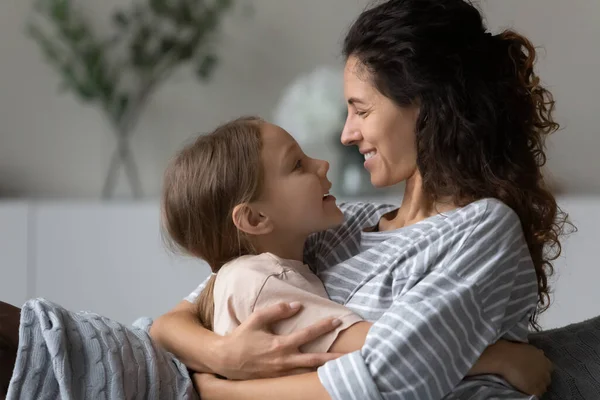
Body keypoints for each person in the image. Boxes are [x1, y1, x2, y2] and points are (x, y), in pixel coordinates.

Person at [151, 0, 568, 399]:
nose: (346, 134)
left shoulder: (481, 230)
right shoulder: (332, 226)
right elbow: (179, 319)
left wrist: (218, 390)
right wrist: (224, 356)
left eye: (361, 110)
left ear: (427, 109)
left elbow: (389, 380)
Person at [157, 116, 549, 388]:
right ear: (256, 218)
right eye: (297, 165)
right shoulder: (257, 283)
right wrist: (497, 358)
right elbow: (386, 351)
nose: (323, 162)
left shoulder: (274, 265)